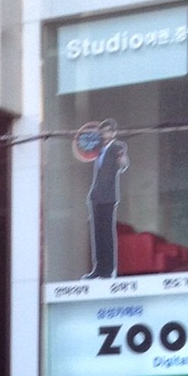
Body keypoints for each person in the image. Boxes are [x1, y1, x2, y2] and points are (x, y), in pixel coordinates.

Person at [83, 119, 129, 280]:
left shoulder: (117, 147)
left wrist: (122, 158)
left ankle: (108, 269)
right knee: (97, 234)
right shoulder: (99, 149)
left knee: (107, 233)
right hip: (96, 196)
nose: (105, 135)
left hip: (108, 197)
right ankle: (98, 268)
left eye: (108, 131)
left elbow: (123, 165)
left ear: (113, 133)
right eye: (103, 132)